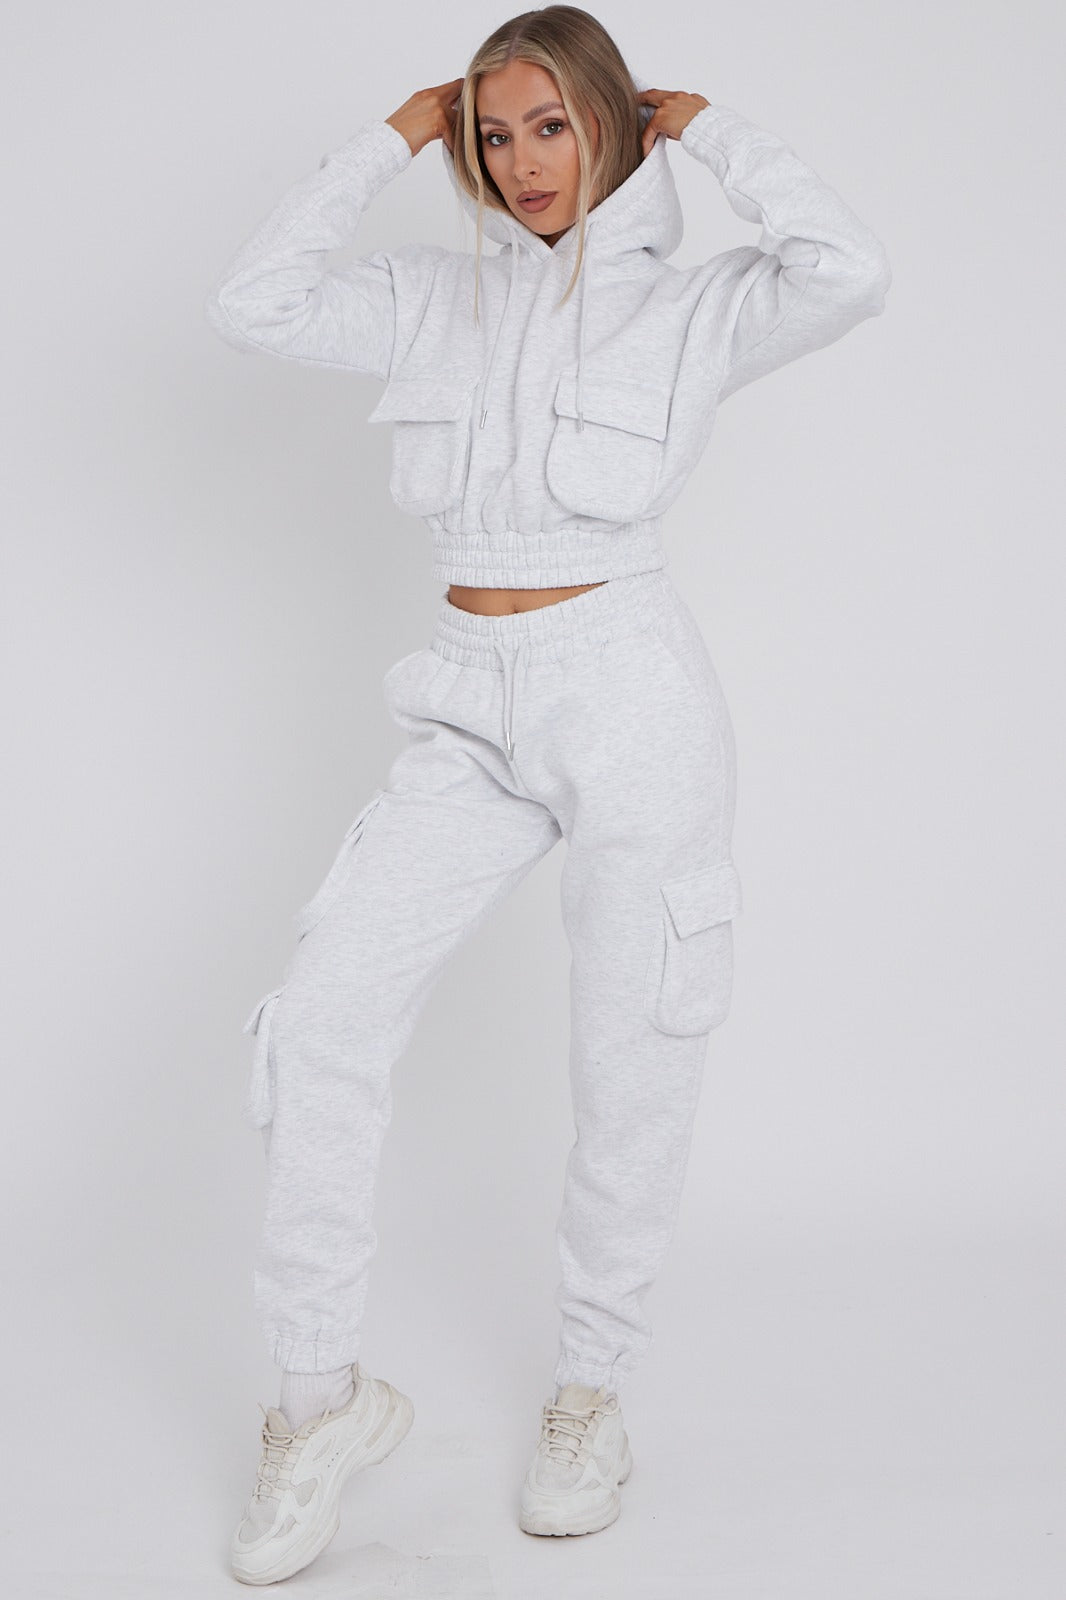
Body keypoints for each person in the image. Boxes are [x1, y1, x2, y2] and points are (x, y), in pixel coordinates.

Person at [204, 5, 891, 1584]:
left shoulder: (700, 305)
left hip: (626, 686)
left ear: (613, 124)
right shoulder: (423, 297)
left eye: (551, 126)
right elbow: (253, 303)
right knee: (320, 1020)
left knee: (629, 1056)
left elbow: (849, 271)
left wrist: (711, 130)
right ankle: (317, 1403)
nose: (519, 162)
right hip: (465, 698)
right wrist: (388, 136)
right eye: (490, 133)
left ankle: (589, 1395)